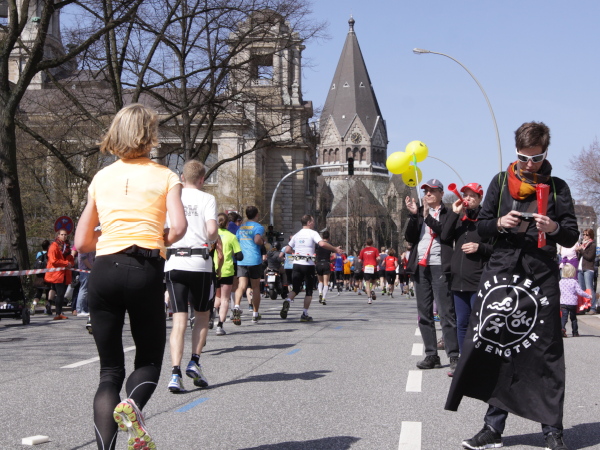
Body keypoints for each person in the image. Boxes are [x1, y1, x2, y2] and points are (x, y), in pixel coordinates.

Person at [446, 122, 578, 450]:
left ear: (545, 153)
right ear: (515, 152)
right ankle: (492, 428)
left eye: (536, 158)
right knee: (497, 346)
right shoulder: (500, 182)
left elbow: (571, 235)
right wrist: (500, 223)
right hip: (502, 273)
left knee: (546, 351)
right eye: (523, 158)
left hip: (540, 275)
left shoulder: (558, 187)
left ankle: (552, 430)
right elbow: (481, 226)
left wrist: (554, 227)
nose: (529, 164)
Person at [75, 103, 187, 449]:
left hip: (104, 270)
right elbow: (179, 227)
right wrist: (159, 238)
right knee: (149, 358)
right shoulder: (166, 176)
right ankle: (133, 405)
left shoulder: (101, 177)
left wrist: (108, 238)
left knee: (109, 372)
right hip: (144, 268)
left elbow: (81, 242)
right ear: (150, 135)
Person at [164, 160, 219, 393]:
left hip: (174, 262)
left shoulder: (170, 198)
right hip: (199, 264)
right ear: (202, 179)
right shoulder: (207, 198)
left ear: (182, 177)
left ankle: (175, 374)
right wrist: (212, 239)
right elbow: (212, 231)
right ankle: (194, 361)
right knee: (202, 316)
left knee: (179, 321)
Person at [405, 179, 459, 371]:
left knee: (446, 313)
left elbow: (445, 234)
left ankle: (454, 356)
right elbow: (410, 237)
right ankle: (431, 355)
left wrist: (427, 216)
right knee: (424, 313)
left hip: (439, 265)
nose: (428, 194)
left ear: (441, 194)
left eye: (432, 191)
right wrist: (414, 216)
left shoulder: (449, 213)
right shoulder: (419, 212)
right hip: (421, 265)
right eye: (426, 191)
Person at [441, 183, 493, 366]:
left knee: (478, 323)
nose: (468, 199)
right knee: (461, 323)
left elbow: (496, 249)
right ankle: (464, 363)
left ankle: (479, 362)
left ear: (480, 198)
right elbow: (445, 237)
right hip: (458, 280)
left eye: (472, 196)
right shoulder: (459, 218)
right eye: (465, 195)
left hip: (478, 279)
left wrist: (480, 247)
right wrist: (454, 213)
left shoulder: (486, 220)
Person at [280, 215, 342, 322]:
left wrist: (296, 253)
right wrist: (335, 249)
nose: (314, 223)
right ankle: (304, 314)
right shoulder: (313, 233)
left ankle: (288, 300)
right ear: (309, 222)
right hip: (308, 265)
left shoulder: (297, 234)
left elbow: (287, 249)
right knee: (309, 291)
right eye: (313, 221)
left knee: (295, 289)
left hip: (297, 264)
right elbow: (322, 244)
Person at [233, 206, 265, 324]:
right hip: (254, 260)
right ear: (257, 215)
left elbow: (236, 240)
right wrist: (262, 242)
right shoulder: (258, 227)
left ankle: (236, 307)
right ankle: (255, 314)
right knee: (255, 287)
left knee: (241, 286)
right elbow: (257, 240)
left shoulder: (241, 227)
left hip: (242, 260)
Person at [214, 213, 243, 336]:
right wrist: (233, 253)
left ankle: (212, 314)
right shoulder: (231, 237)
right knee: (225, 299)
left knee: (216, 297)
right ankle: (220, 326)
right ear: (227, 224)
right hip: (226, 270)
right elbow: (240, 256)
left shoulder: (211, 235)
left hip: (213, 269)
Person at [44, 229, 74, 320]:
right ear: (58, 235)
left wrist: (70, 263)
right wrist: (66, 263)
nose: (64, 236)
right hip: (56, 274)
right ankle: (58, 313)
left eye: (65, 235)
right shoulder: (54, 246)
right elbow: (53, 260)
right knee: (60, 293)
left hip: (64, 274)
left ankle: (54, 308)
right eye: (62, 234)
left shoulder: (67, 246)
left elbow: (70, 258)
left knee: (60, 293)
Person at [559, 263, 590, 337]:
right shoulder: (574, 282)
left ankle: (562, 329)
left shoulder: (560, 282)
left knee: (564, 317)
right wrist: (588, 296)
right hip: (572, 303)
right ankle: (575, 332)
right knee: (573, 318)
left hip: (563, 302)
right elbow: (580, 292)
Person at [576, 228, 596, 314]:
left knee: (589, 288)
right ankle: (584, 307)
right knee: (582, 289)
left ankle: (593, 308)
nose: (584, 236)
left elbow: (589, 257)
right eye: (583, 234)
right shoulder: (582, 244)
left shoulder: (592, 245)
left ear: (590, 236)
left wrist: (581, 250)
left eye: (586, 235)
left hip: (588, 268)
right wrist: (578, 251)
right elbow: (579, 257)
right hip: (580, 268)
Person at [32, 240, 51, 315]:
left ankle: (33, 305)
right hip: (47, 276)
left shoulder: (39, 254)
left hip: (39, 277)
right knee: (48, 293)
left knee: (38, 292)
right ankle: (47, 309)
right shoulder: (49, 254)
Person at [358, 238, 379, 304]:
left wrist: (363, 263)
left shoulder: (363, 250)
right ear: (372, 243)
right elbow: (378, 258)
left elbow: (359, 260)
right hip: (373, 267)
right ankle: (373, 289)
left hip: (366, 267)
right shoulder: (375, 250)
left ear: (366, 243)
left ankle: (369, 299)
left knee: (367, 283)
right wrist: (377, 262)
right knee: (374, 281)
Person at [315, 230, 333, 305]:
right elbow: (334, 256)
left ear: (322, 237)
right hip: (326, 263)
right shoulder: (329, 244)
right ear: (329, 237)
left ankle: (320, 292)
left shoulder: (318, 244)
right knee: (326, 282)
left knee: (320, 281)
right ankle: (324, 298)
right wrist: (331, 260)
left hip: (319, 263)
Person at [76, 249, 95, 317]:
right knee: (83, 290)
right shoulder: (83, 248)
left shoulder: (88, 248)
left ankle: (84, 309)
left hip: (88, 270)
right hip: (85, 270)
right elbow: (84, 259)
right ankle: (80, 309)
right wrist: (92, 268)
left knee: (86, 291)